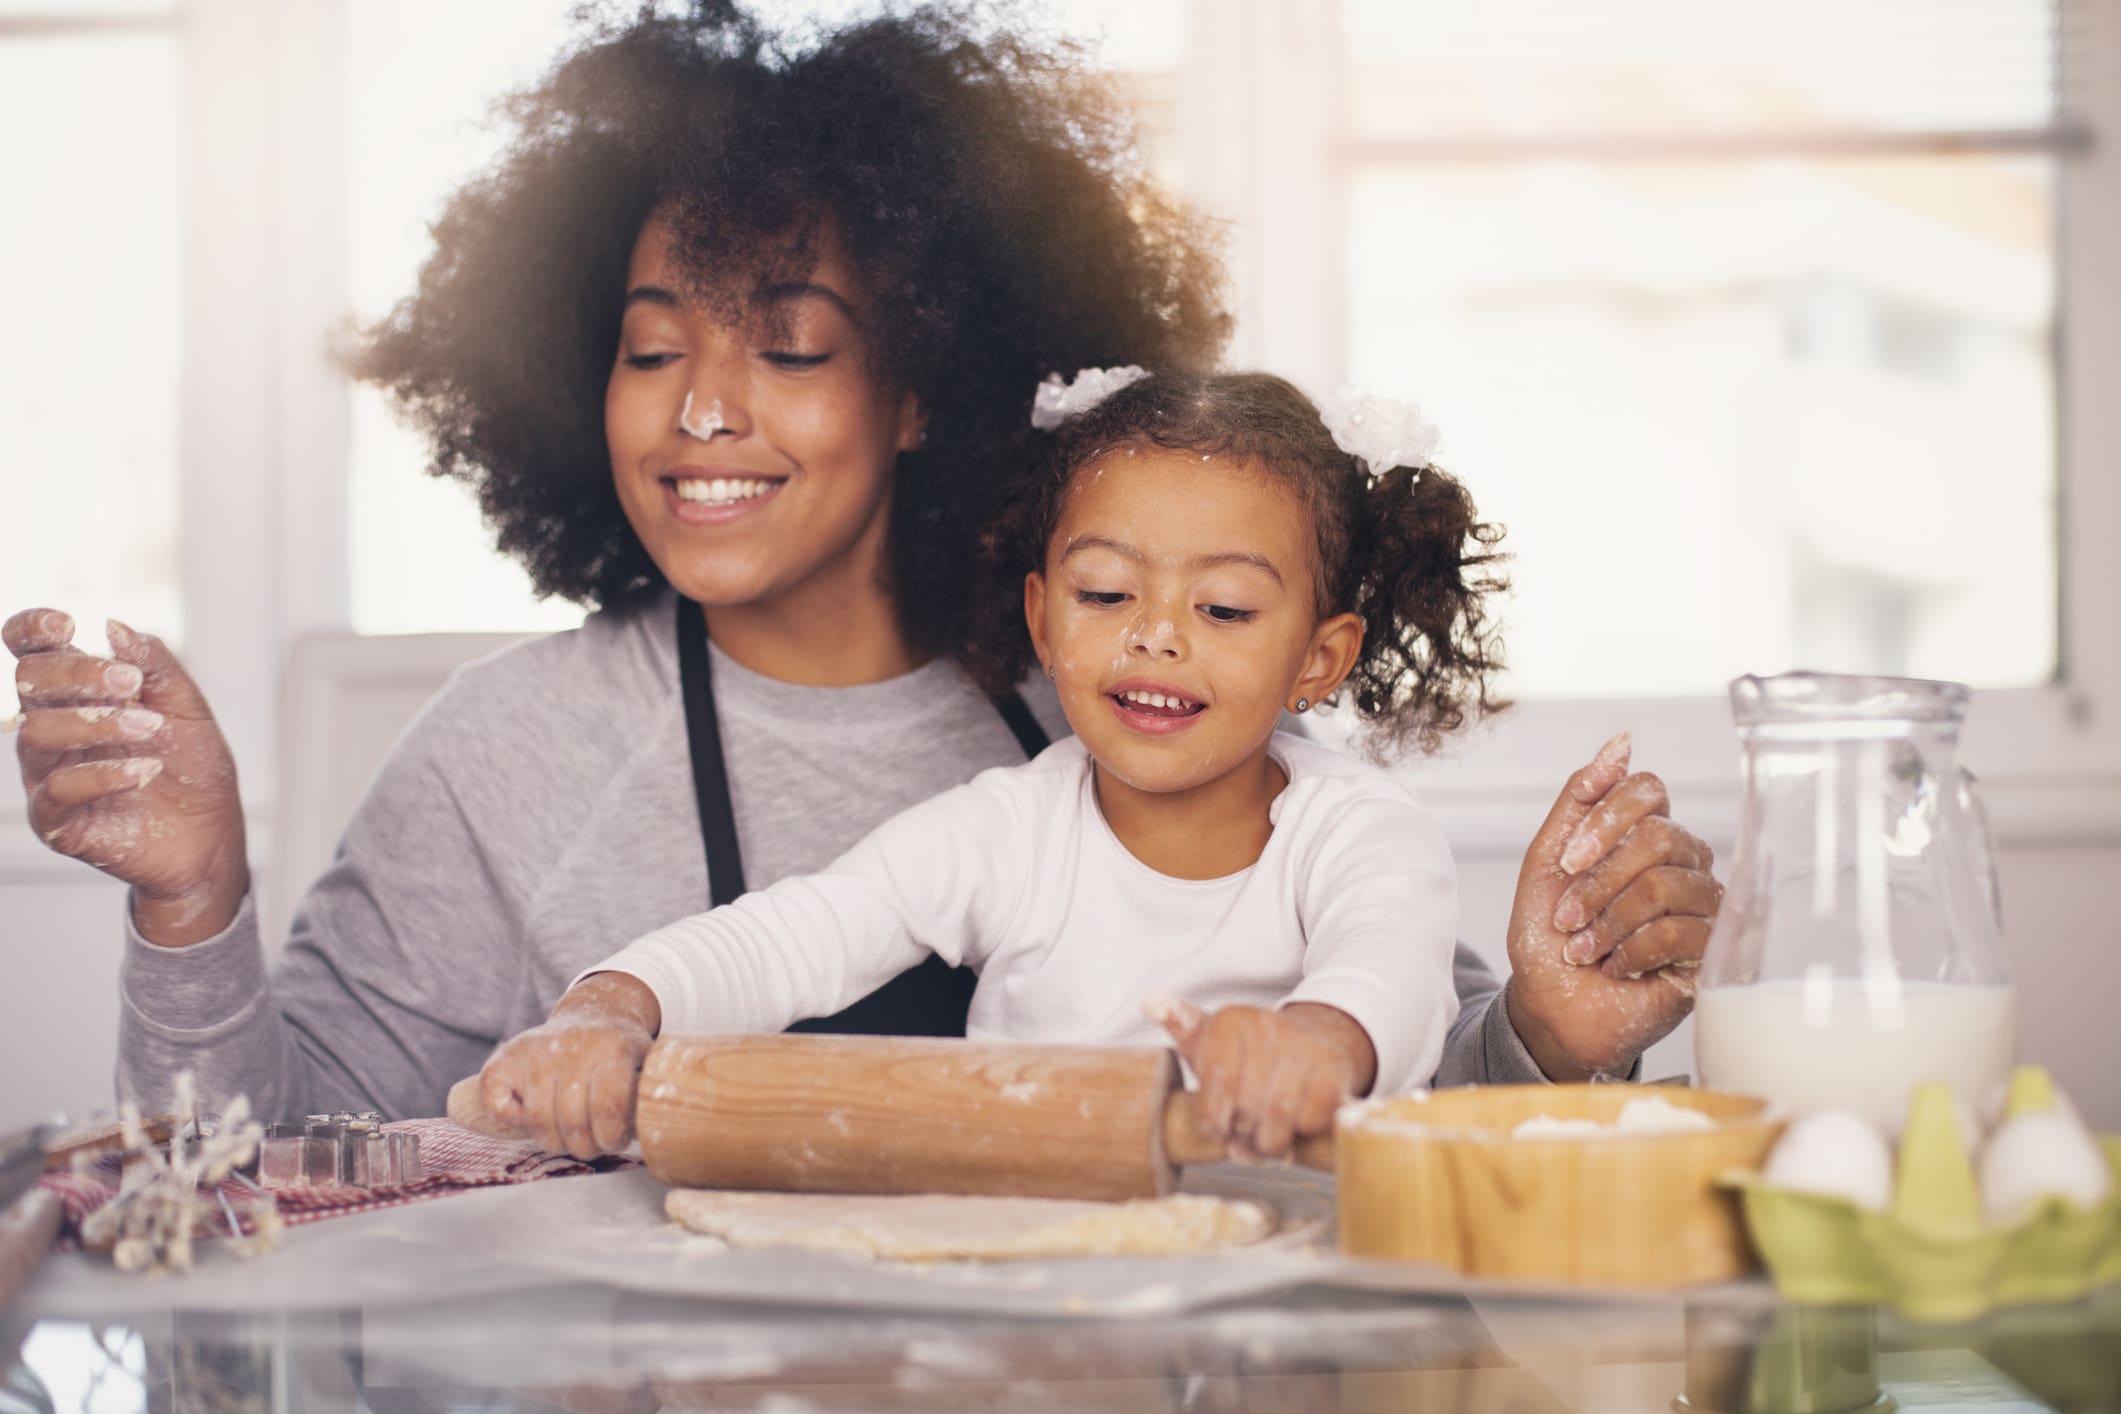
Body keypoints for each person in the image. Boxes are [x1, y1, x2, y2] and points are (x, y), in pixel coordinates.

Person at [3, 2, 1718, 1126]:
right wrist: (193, 901)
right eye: (653, 345)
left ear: (922, 387)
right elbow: (241, 1177)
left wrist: (1563, 1034)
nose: (705, 412)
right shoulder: (500, 753)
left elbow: (1399, 1080)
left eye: (793, 347)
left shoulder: (1127, 683)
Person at [478, 368, 1501, 1160]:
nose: (1156, 636)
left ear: (1319, 658)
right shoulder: (1008, 831)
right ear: (1041, 621)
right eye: (1105, 594)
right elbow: (802, 931)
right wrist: (610, 1010)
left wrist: (1317, 1044)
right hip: (1044, 1299)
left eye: (1223, 608)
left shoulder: (1363, 833)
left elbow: (1395, 976)